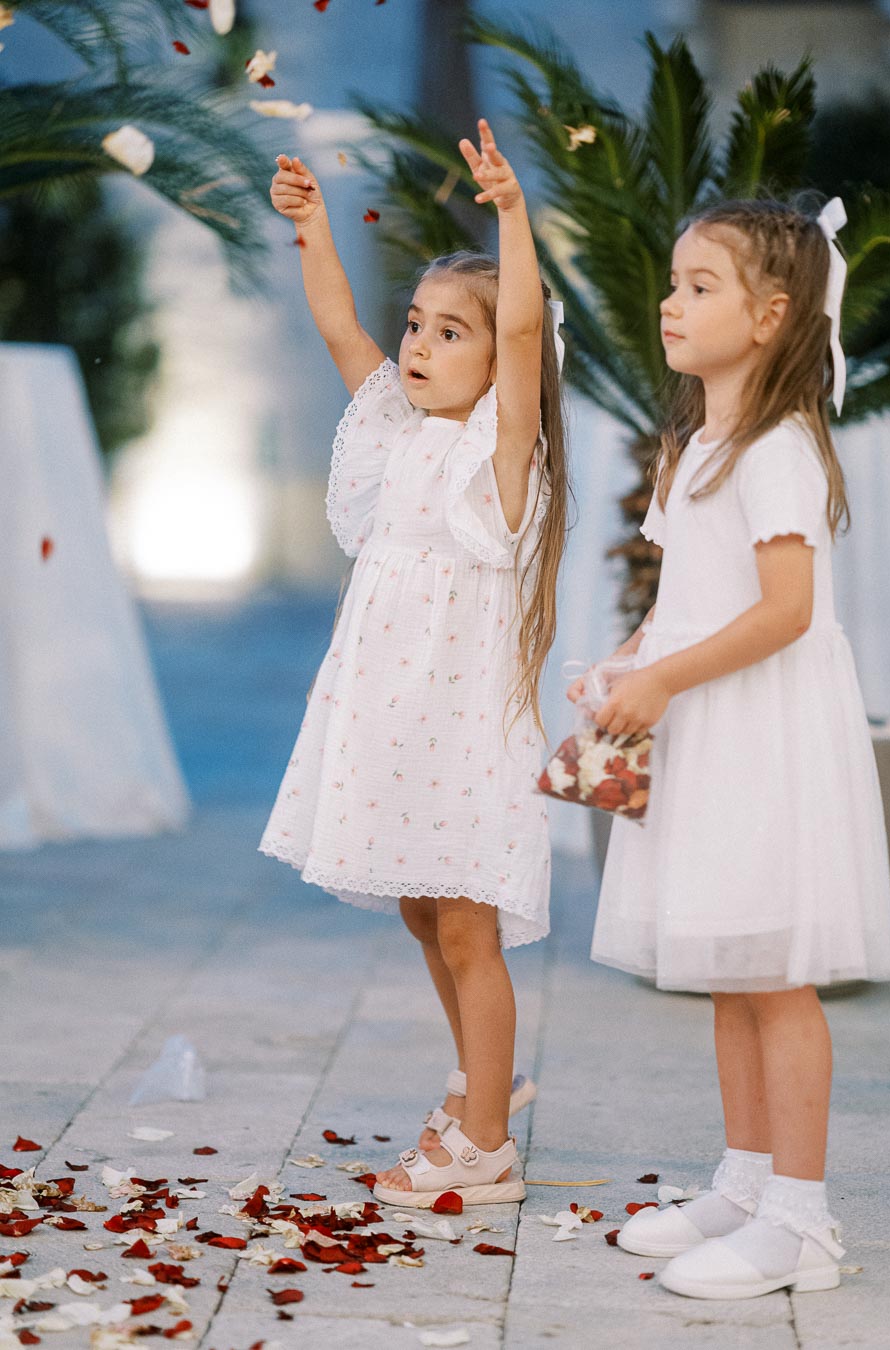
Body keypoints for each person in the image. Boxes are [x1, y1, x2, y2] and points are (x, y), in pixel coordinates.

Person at [571, 197, 890, 1297]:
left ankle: (800, 1224)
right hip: (709, 727)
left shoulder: (779, 445)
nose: (670, 302)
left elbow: (786, 608)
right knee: (729, 967)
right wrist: (630, 660)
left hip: (763, 734)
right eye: (672, 282)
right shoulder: (696, 444)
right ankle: (746, 1182)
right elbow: (686, 599)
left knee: (778, 980)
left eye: (699, 286)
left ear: (770, 315)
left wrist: (666, 677)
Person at [261, 119, 568, 1207]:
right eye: (419, 325)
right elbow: (342, 323)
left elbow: (526, 329)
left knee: (468, 921)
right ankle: (481, 1081)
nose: (420, 347)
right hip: (389, 717)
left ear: (495, 363)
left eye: (452, 333)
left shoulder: (500, 456)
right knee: (417, 908)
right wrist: (313, 228)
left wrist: (514, 218)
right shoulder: (395, 427)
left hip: (463, 724)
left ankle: (484, 1144)